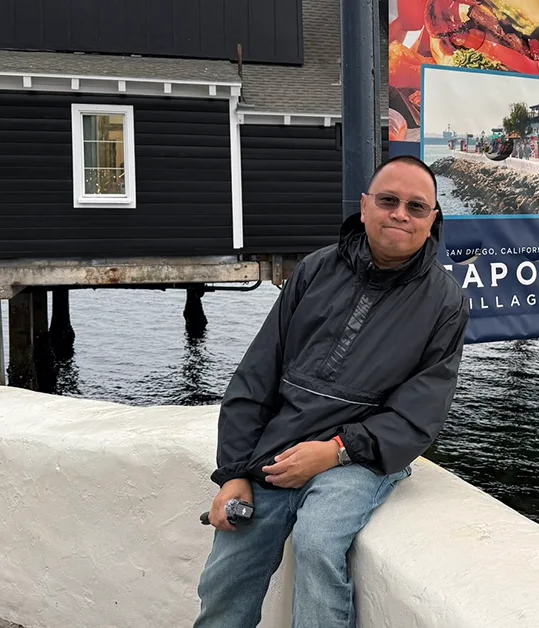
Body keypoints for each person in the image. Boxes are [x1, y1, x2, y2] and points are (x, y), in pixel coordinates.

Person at [192, 155, 470, 628]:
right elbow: (258, 374)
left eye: (416, 207)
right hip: (280, 445)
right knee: (230, 564)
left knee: (318, 543)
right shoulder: (317, 269)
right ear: (365, 207)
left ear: (433, 221)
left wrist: (335, 451)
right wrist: (234, 473)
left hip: (360, 456)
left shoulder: (445, 301)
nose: (400, 213)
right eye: (388, 201)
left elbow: (420, 413)